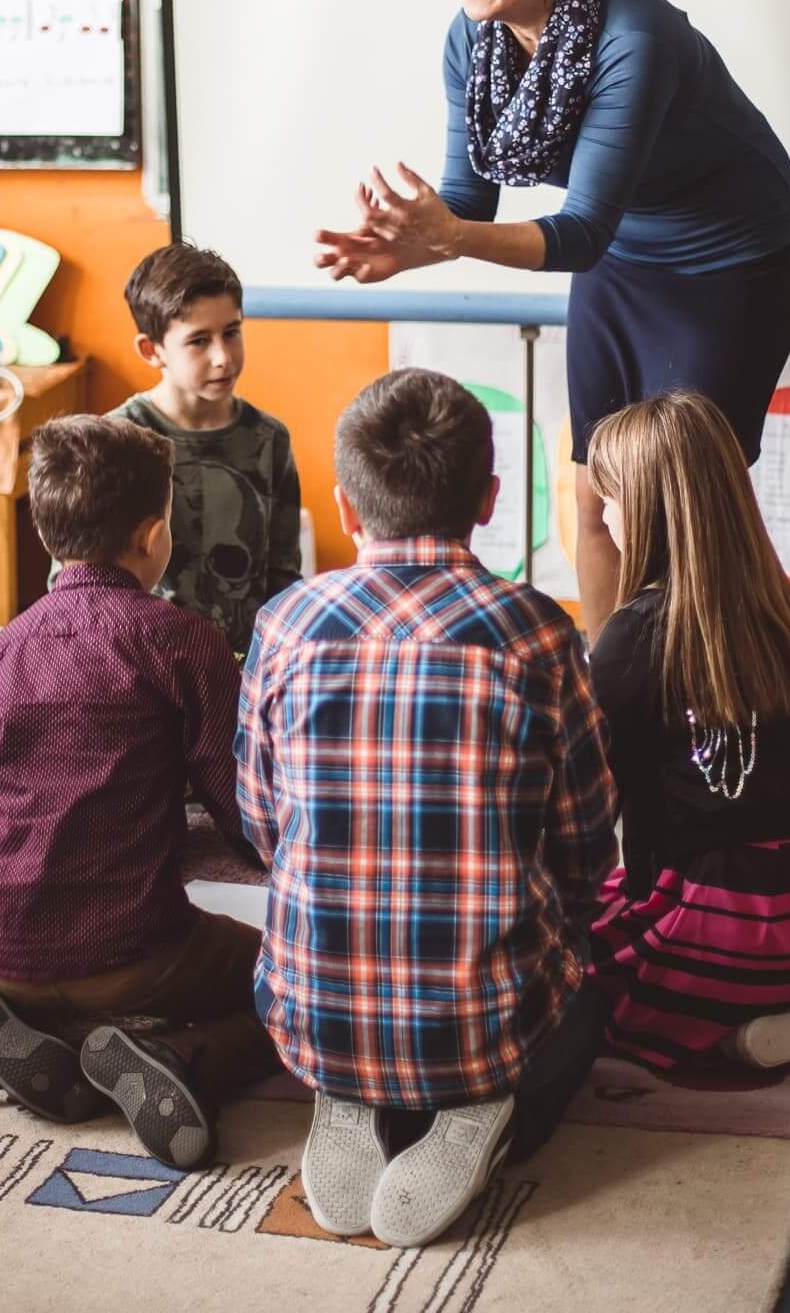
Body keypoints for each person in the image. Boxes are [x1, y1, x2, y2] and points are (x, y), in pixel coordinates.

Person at [313, 0, 790, 644]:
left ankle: (742, 692)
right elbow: (471, 197)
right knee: (591, 493)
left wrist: (449, 236)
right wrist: (419, 241)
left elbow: (578, 232)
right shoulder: (472, 39)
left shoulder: (633, 39)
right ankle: (610, 699)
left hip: (730, 259)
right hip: (624, 258)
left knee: (686, 511)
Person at [237, 369, 617, 1249]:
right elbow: (587, 846)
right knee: (597, 990)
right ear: (489, 499)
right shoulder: (537, 633)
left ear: (342, 504)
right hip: (488, 1022)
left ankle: (348, 1086)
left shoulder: (285, 624)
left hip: (311, 1012)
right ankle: (481, 1107)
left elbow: (260, 822)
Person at [0, 414, 279, 1170]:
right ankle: (179, 1059)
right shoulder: (180, 639)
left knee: (70, 975)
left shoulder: (2, 648)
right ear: (154, 535)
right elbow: (241, 808)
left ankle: (56, 1051)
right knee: (288, 981)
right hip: (131, 951)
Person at [584, 390, 790, 1071]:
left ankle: (729, 1029)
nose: (603, 515)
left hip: (700, 925)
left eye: (611, 498)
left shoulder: (631, 637)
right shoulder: (783, 617)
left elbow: (590, 799)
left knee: (570, 977)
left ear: (648, 509)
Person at [103, 241, 303, 654]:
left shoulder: (270, 440)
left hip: (246, 675)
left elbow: (284, 577)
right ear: (151, 350)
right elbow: (78, 584)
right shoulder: (116, 439)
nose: (223, 358)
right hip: (147, 670)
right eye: (198, 341)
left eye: (232, 332)